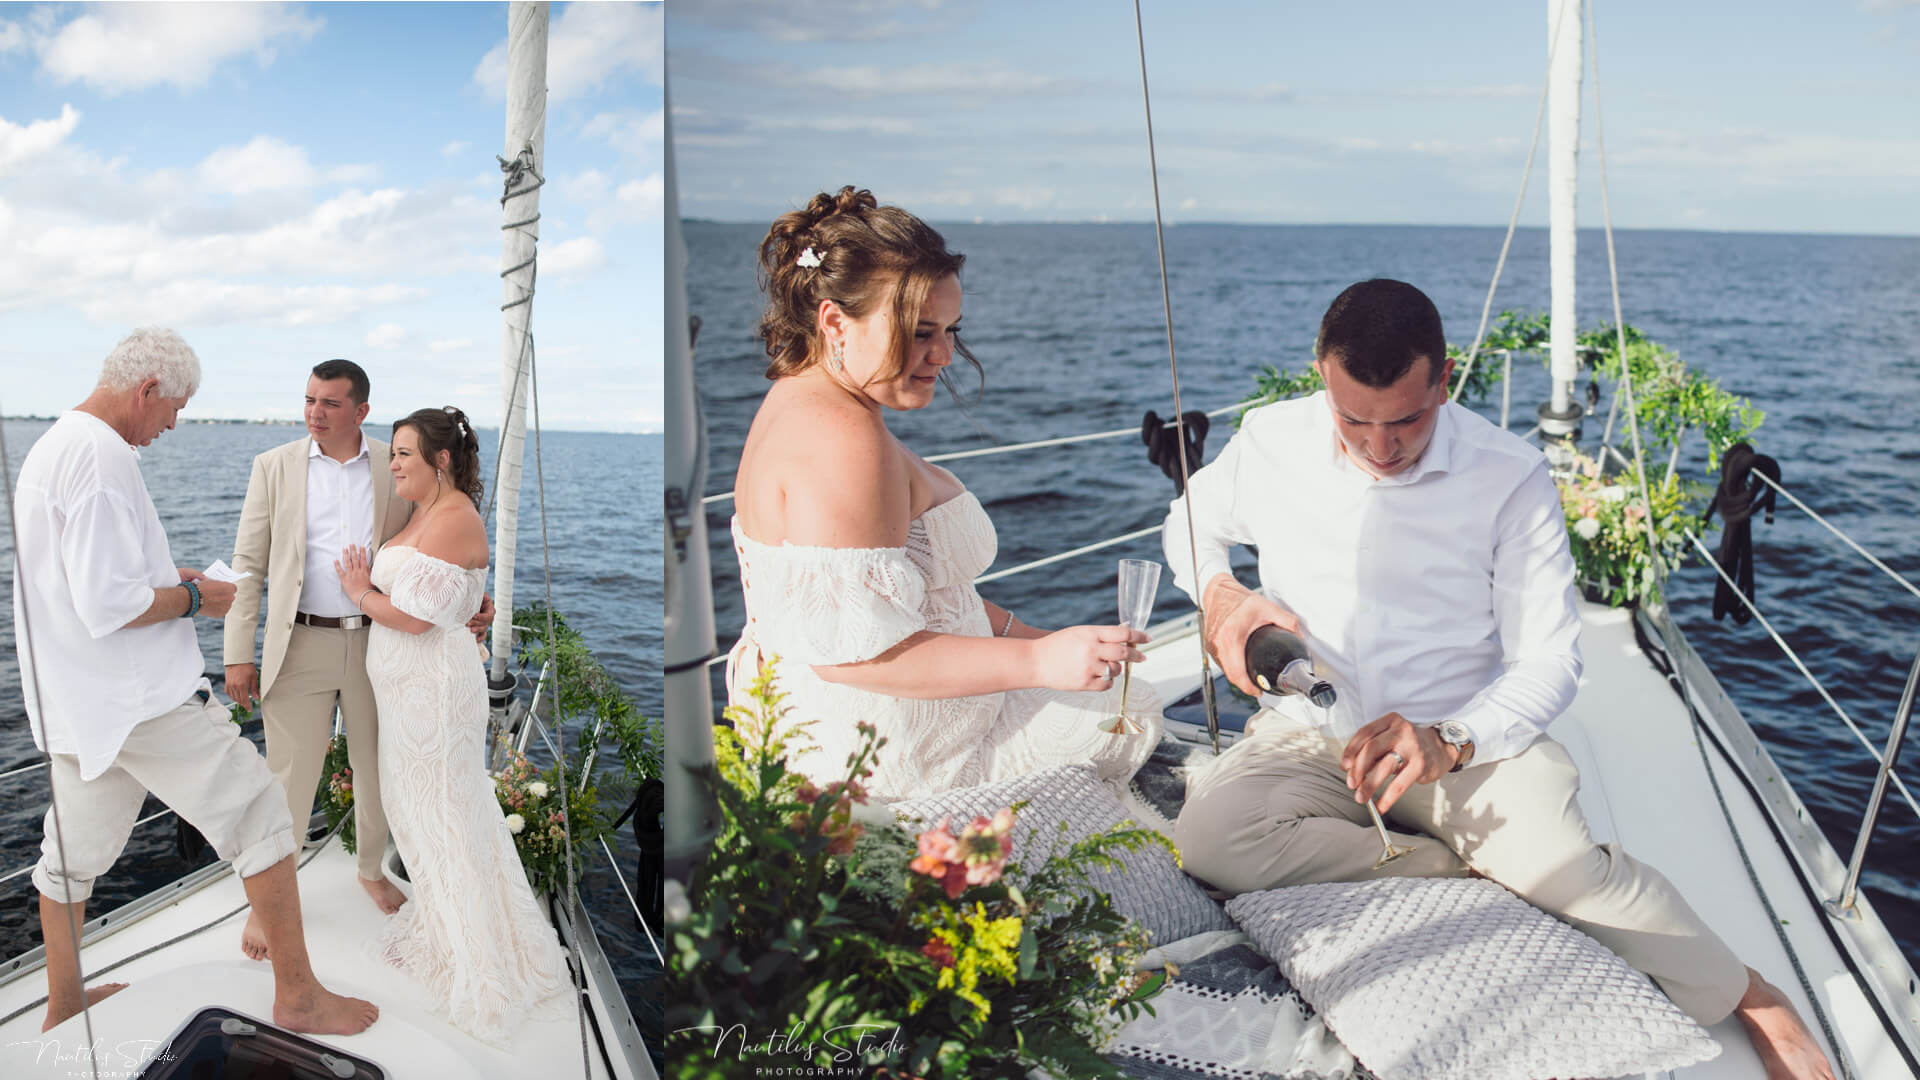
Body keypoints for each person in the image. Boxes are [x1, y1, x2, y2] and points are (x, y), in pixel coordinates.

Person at [1163, 279, 1833, 1080]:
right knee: (1207, 839)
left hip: (1466, 742)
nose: (1380, 448)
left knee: (1570, 875)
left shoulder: (1508, 476)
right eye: (1354, 421)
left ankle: (1749, 991)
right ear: (1322, 377)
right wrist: (1219, 592)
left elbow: (1551, 658)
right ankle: (1462, 870)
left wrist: (1450, 739)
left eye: (1407, 419)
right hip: (1314, 737)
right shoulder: (1271, 440)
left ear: (1445, 379)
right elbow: (1190, 520)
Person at [726, 186, 1160, 801]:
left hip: (839, 722)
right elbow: (851, 656)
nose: (945, 354)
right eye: (921, 331)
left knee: (1118, 699)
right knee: (1133, 712)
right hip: (886, 751)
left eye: (952, 329)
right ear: (833, 321)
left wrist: (1039, 638)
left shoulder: (802, 398)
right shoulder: (842, 442)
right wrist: (1040, 666)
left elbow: (909, 596)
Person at [13, 328, 378, 1035]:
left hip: (77, 703)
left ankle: (64, 1005)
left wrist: (165, 580)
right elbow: (109, 606)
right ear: (147, 391)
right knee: (263, 819)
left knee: (68, 859)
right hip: (142, 699)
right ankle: (299, 997)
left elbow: (81, 585)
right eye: (173, 409)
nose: (173, 425)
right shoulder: (101, 459)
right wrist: (196, 600)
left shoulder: (55, 446)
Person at [333, 406, 568, 1042]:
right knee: (420, 816)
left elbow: (415, 619)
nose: (394, 464)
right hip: (407, 694)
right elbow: (454, 601)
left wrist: (358, 589)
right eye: (392, 455)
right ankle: (444, 922)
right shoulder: (424, 513)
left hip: (434, 697)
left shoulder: (456, 515)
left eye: (403, 454)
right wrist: (472, 605)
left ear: (439, 461)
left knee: (444, 817)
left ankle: (478, 959)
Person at [224, 359, 412, 959]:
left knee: (377, 767)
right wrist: (237, 654)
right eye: (309, 400)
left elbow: (429, 540)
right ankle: (267, 906)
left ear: (360, 411)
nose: (315, 413)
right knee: (288, 782)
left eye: (330, 403)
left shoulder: (395, 464)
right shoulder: (273, 467)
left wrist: (470, 600)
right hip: (298, 645)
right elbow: (248, 568)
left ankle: (371, 870)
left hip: (378, 643)